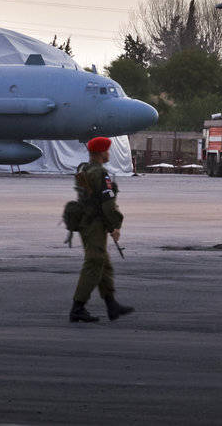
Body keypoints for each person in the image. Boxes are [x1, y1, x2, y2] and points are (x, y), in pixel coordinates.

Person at [69, 136, 134, 323]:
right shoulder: (100, 174)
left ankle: (111, 305)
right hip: (94, 224)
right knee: (94, 262)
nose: (109, 153)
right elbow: (107, 204)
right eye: (107, 150)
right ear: (101, 153)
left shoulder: (84, 169)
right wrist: (115, 225)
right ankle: (78, 307)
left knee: (103, 265)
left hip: (85, 222)